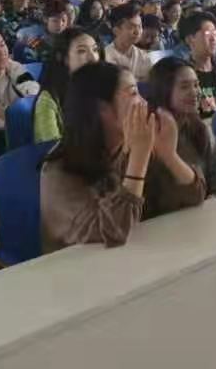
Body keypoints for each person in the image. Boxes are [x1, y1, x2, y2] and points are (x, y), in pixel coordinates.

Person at [40, 62, 182, 252]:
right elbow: (113, 231)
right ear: (102, 108)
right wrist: (139, 156)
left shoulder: (126, 147)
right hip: (80, 266)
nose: (144, 102)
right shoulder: (59, 170)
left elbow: (186, 199)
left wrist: (170, 156)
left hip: (134, 257)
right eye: (133, 93)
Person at [148, 57, 216, 200]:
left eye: (196, 85)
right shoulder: (147, 136)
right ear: (163, 90)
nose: (195, 92)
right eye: (184, 87)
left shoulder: (202, 131)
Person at [33, 28, 102, 144]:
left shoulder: (103, 90)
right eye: (82, 51)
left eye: (95, 50)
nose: (93, 58)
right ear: (64, 58)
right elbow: (51, 149)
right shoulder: (48, 101)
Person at [173, 12, 216, 119]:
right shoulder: (180, 76)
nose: (214, 39)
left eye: (215, 34)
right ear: (190, 39)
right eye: (208, 34)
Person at [104, 3, 152, 82]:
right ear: (116, 31)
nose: (137, 32)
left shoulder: (143, 57)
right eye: (131, 27)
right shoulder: (105, 57)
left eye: (140, 26)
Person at [14, 0, 70, 64]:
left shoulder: (70, 39)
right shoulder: (33, 40)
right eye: (55, 21)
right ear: (45, 19)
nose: (60, 24)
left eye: (63, 20)